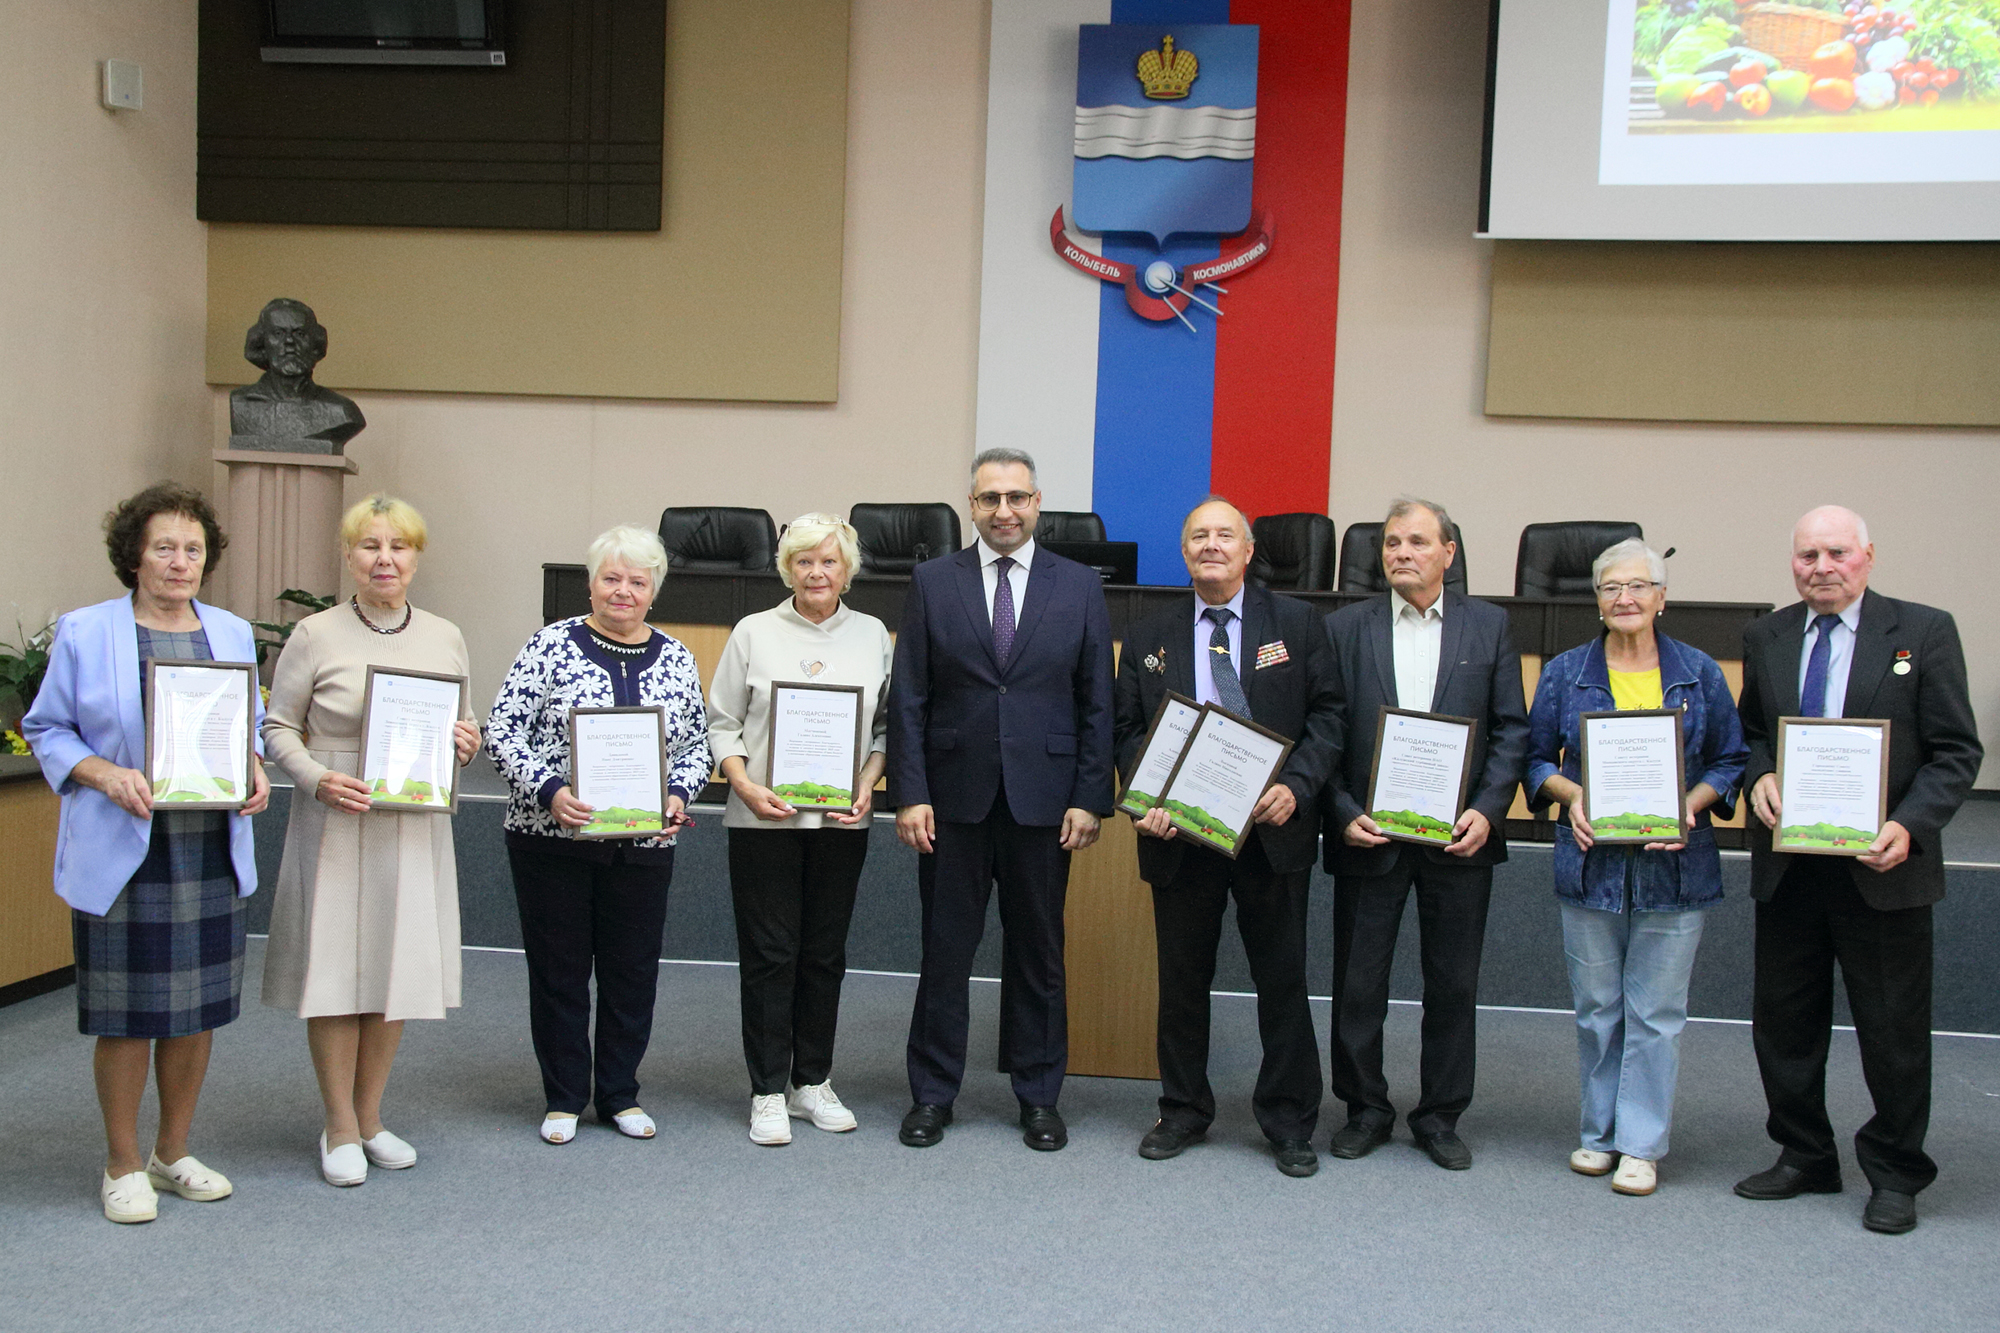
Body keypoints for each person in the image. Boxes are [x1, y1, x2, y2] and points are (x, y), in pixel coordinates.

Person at [23, 483, 271, 1224]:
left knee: (196, 1010)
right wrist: (104, 773)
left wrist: (254, 767)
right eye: (164, 547)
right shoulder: (85, 631)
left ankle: (173, 1150)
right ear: (134, 554)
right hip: (125, 847)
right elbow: (47, 728)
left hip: (208, 845)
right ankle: (122, 1162)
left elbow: (248, 723)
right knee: (126, 1014)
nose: (179, 561)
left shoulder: (231, 632)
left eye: (193, 549)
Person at [1732, 505, 1981, 1235]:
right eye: (1808, 555)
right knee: (1784, 1023)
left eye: (1837, 552)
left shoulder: (1924, 631)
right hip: (1792, 868)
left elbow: (1956, 751)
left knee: (1892, 1029)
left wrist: (1910, 825)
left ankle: (1897, 1172)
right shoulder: (1768, 635)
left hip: (1885, 865)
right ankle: (1805, 1154)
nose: (1822, 567)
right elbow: (1753, 731)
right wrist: (1760, 775)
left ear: (1868, 555)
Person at [888, 447, 1115, 1151]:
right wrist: (909, 792)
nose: (1004, 511)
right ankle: (932, 1094)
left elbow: (1096, 701)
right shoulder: (933, 581)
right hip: (951, 802)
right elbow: (910, 696)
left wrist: (1090, 796)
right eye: (990, 498)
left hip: (1045, 803)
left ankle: (1039, 1097)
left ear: (1037, 503)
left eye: (1017, 497)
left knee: (1039, 955)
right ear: (972, 505)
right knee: (944, 953)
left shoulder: (1078, 585)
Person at [1113, 499, 1340, 1177]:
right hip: (1180, 837)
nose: (1210, 545)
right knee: (1183, 979)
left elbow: (1330, 715)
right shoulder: (1149, 633)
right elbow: (1126, 729)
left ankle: (1290, 1120)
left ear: (1247, 551)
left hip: (1273, 831)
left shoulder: (1297, 623)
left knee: (1282, 979)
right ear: (1184, 552)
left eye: (1223, 535)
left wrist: (1296, 786)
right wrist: (1145, 797)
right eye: (1198, 536)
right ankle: (1183, 1108)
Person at [261, 494, 481, 1186]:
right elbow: (277, 727)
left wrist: (466, 740)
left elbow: (465, 720)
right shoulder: (314, 634)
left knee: (395, 968)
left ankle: (370, 1116)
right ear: (349, 555)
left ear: (417, 557)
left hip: (411, 824)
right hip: (337, 817)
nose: (385, 559)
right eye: (370, 545)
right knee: (337, 970)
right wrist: (315, 778)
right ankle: (338, 1125)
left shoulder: (445, 635)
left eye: (399, 546)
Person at [1524, 539, 1747, 1197]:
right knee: (1597, 1008)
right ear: (1597, 600)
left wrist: (1689, 806)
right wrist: (1573, 795)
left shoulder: (1699, 672)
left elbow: (1730, 760)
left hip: (1675, 870)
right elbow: (1534, 760)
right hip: (1590, 865)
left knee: (1656, 1011)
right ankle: (1599, 1133)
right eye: (1610, 587)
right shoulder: (1565, 672)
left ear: (1661, 597)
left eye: (1638, 586)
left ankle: (1641, 1143)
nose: (1625, 598)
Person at [1321, 496, 1528, 1170]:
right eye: (1391, 543)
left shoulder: (1489, 625)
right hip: (1369, 835)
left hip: (1459, 838)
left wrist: (1489, 810)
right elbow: (1323, 728)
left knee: (1452, 986)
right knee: (1358, 985)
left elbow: (1511, 730)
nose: (1401, 553)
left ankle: (1440, 1116)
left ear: (1448, 552)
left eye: (1416, 541)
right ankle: (1365, 1108)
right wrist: (1341, 809)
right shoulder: (1344, 627)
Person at [488, 525, 712, 1146]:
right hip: (549, 841)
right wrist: (550, 790)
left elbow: (697, 747)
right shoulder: (550, 645)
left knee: (631, 974)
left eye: (637, 581)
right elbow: (502, 730)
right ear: (590, 584)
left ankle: (619, 1093)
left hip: (644, 847)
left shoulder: (676, 656)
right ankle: (564, 1096)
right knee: (559, 972)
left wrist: (678, 793)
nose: (623, 591)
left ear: (654, 590)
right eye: (611, 578)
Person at [706, 514, 891, 1145]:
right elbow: (722, 723)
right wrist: (743, 784)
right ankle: (766, 1089)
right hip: (763, 819)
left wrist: (868, 783)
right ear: (787, 569)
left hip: (841, 821)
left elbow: (887, 729)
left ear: (848, 570)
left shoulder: (873, 635)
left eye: (829, 561)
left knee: (824, 954)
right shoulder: (753, 631)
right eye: (804, 561)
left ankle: (811, 1081)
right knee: (770, 955)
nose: (817, 573)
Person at [227, 298, 366, 451]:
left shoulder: (342, 410)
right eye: (278, 333)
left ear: (315, 344)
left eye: (300, 334)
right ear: (262, 343)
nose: (289, 341)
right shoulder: (240, 402)